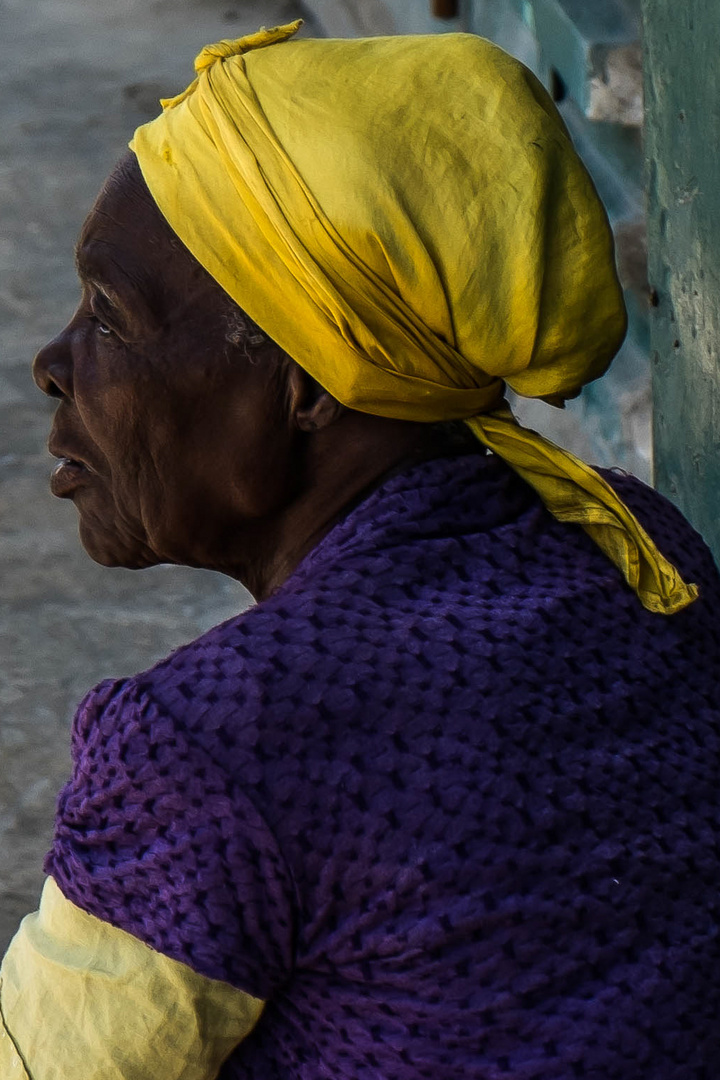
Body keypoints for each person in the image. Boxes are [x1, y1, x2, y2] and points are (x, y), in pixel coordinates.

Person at [2, 20, 719, 1080]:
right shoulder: (631, 549)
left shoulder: (207, 752)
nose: (53, 364)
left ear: (308, 382)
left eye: (111, 318)